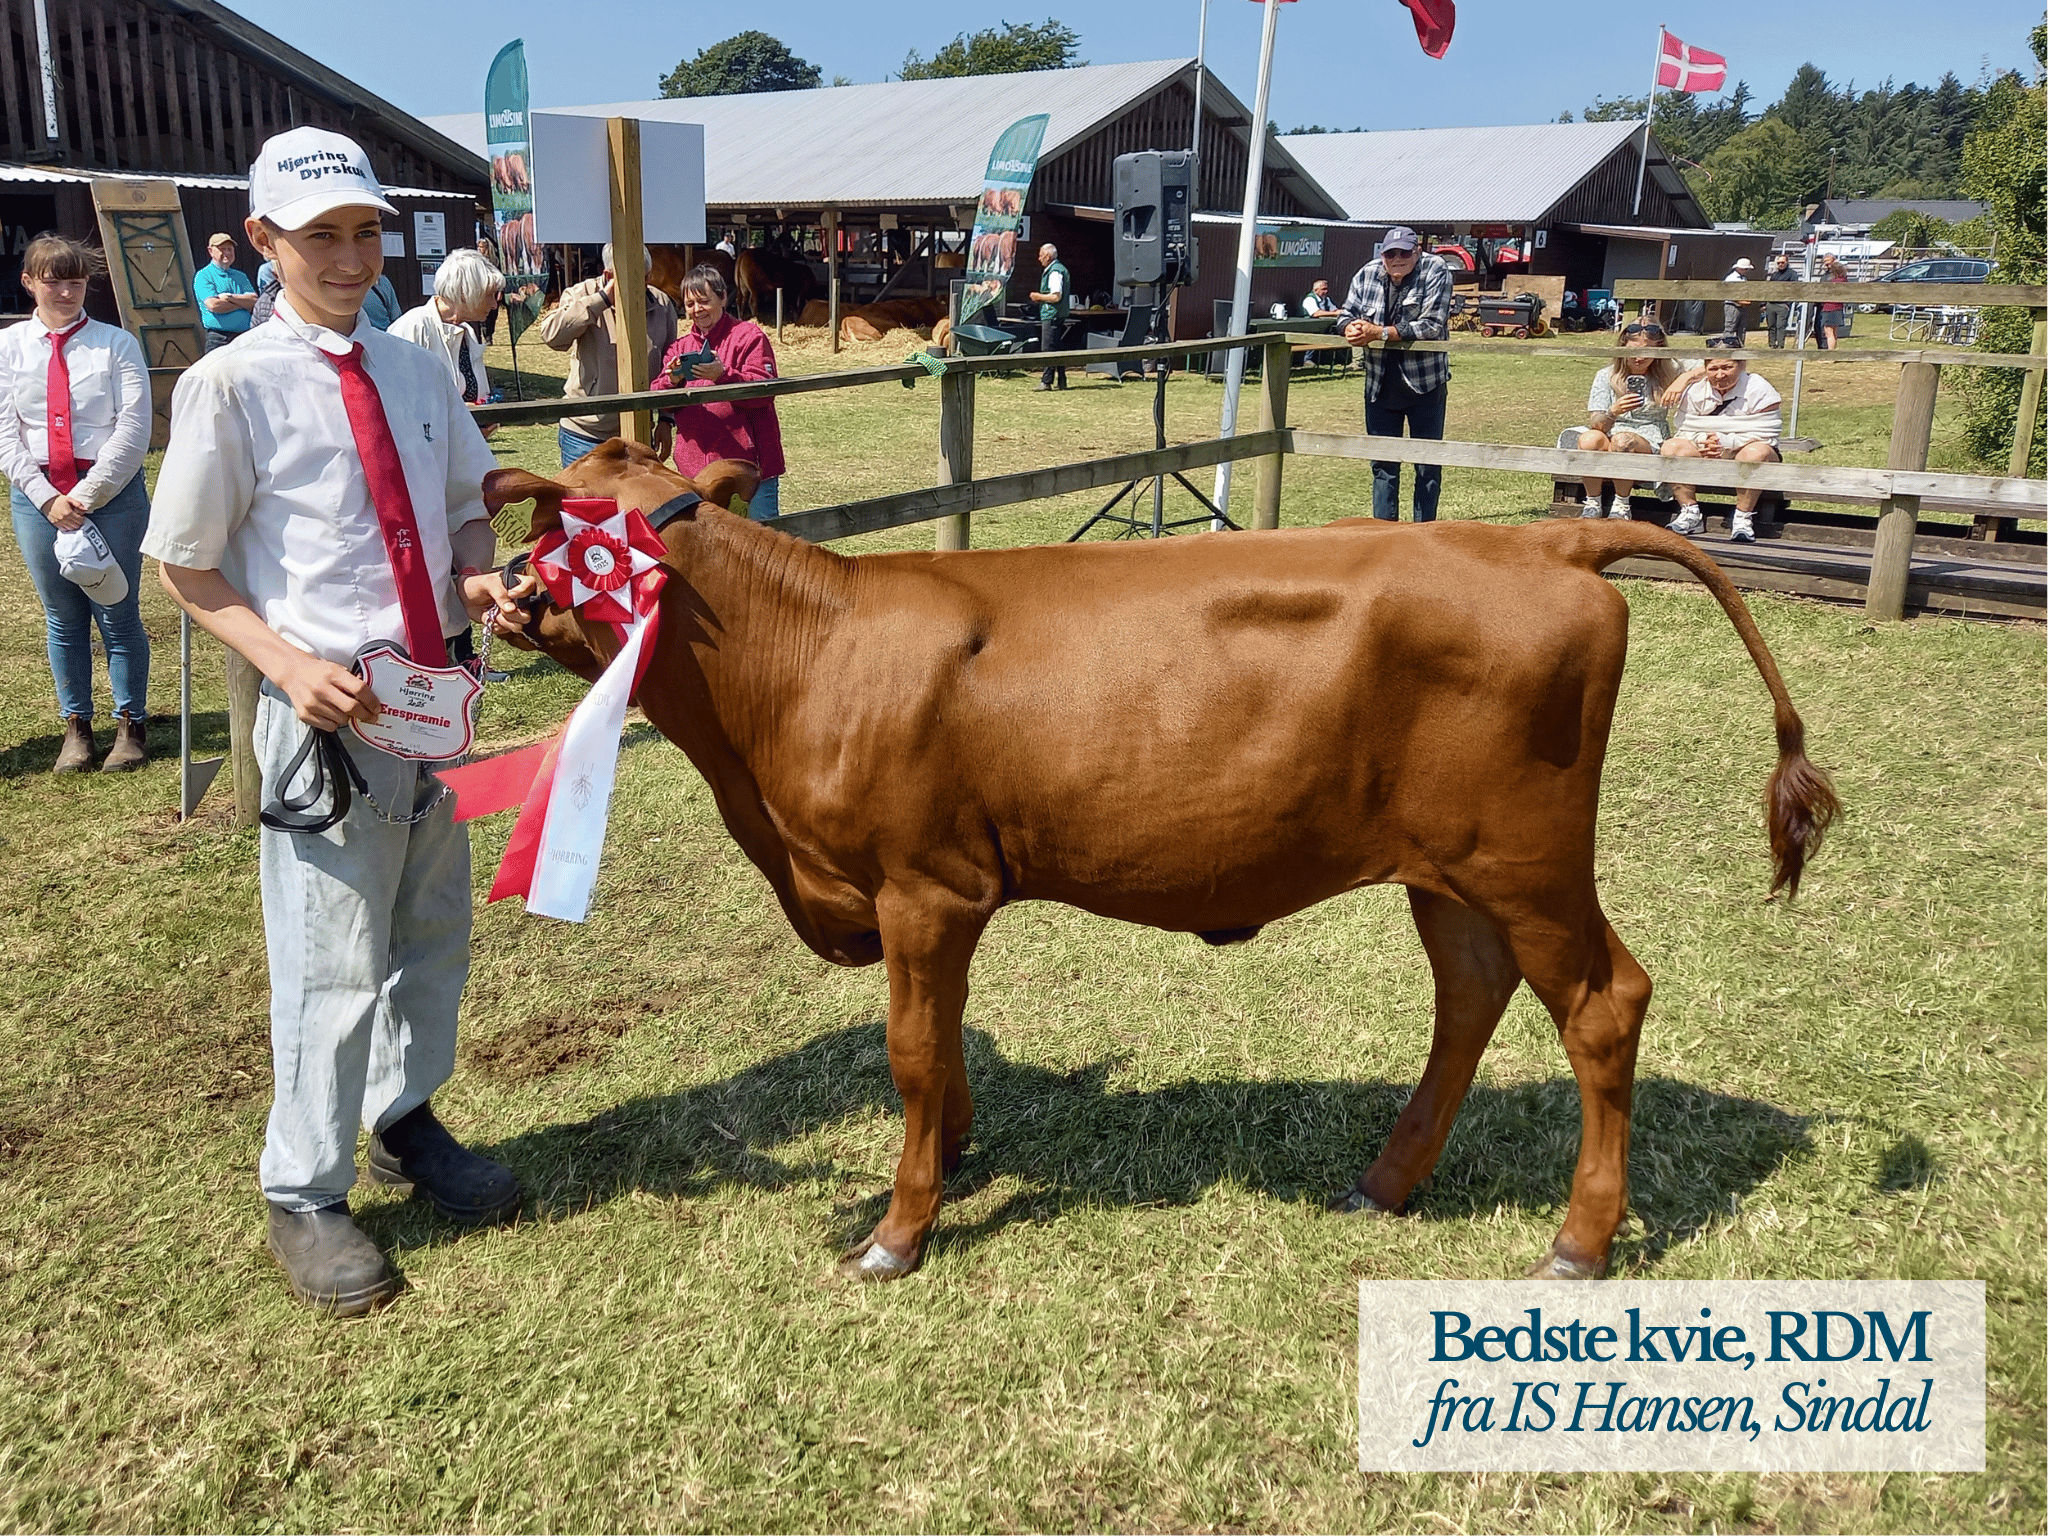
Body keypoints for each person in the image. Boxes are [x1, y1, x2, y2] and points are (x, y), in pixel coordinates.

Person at [144, 126, 530, 1316]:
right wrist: (283, 665)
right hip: (328, 719)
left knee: (432, 932)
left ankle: (403, 1121)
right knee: (328, 963)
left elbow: (466, 503)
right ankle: (302, 1190)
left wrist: (476, 577)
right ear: (264, 241)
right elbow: (186, 565)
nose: (353, 257)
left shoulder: (417, 367)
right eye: (323, 237)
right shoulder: (230, 386)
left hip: (432, 703)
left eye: (367, 232)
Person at [0, 234, 153, 773]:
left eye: (75, 281)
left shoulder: (117, 344)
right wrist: (46, 500)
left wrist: (85, 498)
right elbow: (6, 431)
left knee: (117, 610)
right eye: (52, 280)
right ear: (29, 282)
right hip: (37, 497)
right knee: (62, 618)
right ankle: (77, 726)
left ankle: (131, 724)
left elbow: (133, 428)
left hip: (110, 495)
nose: (65, 291)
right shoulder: (9, 347)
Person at [1340, 225, 1454, 522]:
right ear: (1383, 254)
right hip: (1379, 384)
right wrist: (1349, 328)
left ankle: (1424, 533)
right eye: (1391, 253)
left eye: (1405, 252)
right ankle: (1384, 533)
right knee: (1382, 466)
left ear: (1417, 251)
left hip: (1425, 384)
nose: (1398, 258)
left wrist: (1380, 333)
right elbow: (1345, 314)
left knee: (1427, 465)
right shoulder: (1366, 273)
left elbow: (1431, 325)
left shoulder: (1436, 269)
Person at [656, 264, 786, 519]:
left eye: (703, 301)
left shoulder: (749, 337)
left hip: (748, 472)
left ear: (723, 297)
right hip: (696, 474)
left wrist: (724, 376)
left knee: (761, 547)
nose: (697, 310)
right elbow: (659, 396)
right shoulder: (679, 348)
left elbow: (765, 391)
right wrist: (673, 381)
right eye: (690, 304)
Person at [538, 241, 677, 466]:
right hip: (585, 434)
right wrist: (601, 300)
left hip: (638, 432)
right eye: (635, 279)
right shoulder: (580, 294)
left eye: (647, 276)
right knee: (591, 502)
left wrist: (665, 418)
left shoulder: (661, 303)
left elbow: (670, 367)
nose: (645, 284)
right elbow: (552, 336)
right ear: (609, 275)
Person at [1659, 353, 1782, 543]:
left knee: (1755, 453)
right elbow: (1683, 426)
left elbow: (1768, 430)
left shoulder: (1759, 387)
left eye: (1727, 367)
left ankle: (1742, 518)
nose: (1720, 375)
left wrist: (1728, 442)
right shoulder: (1695, 390)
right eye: (1714, 369)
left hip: (1747, 448)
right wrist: (1705, 442)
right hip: (1707, 447)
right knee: (1672, 447)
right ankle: (1690, 513)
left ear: (1741, 365)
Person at [1571, 320, 1681, 519]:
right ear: (1623, 347)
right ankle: (1592, 502)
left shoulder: (1670, 372)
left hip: (1649, 436)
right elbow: (1596, 424)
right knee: (1589, 439)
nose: (1639, 358)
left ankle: (1622, 504)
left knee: (1623, 441)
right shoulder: (1606, 376)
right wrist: (1614, 410)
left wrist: (1682, 380)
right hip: (1612, 429)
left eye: (1647, 351)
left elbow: (1708, 366)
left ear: (1659, 349)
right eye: (1633, 351)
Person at [388, 248, 502, 425]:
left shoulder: (466, 331)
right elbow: (398, 400)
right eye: (489, 296)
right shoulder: (414, 326)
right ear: (466, 293)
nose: (494, 305)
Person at [194, 232, 256, 351]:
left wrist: (229, 297)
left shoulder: (240, 276)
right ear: (211, 251)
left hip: (244, 337)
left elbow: (254, 301)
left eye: (230, 249)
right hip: (219, 339)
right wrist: (242, 304)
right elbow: (214, 305)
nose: (227, 253)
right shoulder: (203, 276)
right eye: (222, 249)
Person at [1027, 243, 1071, 392]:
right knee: (1057, 348)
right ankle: (1062, 380)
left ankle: (1046, 382)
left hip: (1051, 314)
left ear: (1048, 256)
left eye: (1041, 255)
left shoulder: (1054, 272)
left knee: (1048, 348)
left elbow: (1055, 296)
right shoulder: (1058, 269)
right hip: (1057, 314)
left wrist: (1038, 296)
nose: (1039, 259)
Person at [1811, 255, 1848, 349]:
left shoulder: (1832, 280)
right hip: (1838, 307)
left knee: (1829, 333)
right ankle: (1831, 353)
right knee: (1834, 333)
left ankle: (1829, 355)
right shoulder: (1842, 279)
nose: (1827, 264)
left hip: (1829, 307)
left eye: (1829, 261)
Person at [1762, 253, 1797, 348]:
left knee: (1780, 326)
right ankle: (1772, 344)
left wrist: (1788, 304)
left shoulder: (1792, 274)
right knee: (1771, 326)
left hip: (1782, 304)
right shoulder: (1774, 275)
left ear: (1787, 262)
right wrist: (1764, 304)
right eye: (1778, 263)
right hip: (1771, 304)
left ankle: (1780, 345)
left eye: (1782, 262)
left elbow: (1794, 290)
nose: (1780, 264)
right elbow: (1768, 289)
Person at [1721, 257, 1753, 346]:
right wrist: (1740, 301)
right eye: (1745, 269)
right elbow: (1727, 293)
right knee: (1730, 327)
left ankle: (1740, 347)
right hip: (1732, 305)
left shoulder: (1744, 279)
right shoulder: (1731, 278)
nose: (1746, 271)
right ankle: (1727, 346)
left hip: (1742, 306)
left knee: (1742, 329)